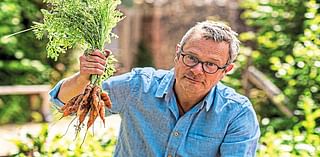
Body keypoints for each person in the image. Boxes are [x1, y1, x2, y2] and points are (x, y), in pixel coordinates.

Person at [49, 20, 260, 157]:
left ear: (226, 70)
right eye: (191, 58)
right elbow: (64, 103)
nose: (197, 70)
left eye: (211, 64)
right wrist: (83, 77)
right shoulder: (138, 87)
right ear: (178, 54)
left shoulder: (236, 113)